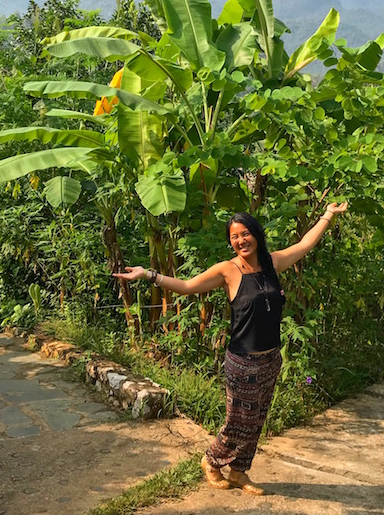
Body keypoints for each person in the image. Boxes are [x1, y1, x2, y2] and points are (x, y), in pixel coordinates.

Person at [113, 202, 348, 495]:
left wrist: (328, 214)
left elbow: (305, 244)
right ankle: (211, 462)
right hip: (243, 362)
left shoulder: (272, 264)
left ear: (257, 235)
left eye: (245, 233)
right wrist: (149, 275)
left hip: (270, 359)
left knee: (257, 420)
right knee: (238, 421)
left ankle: (238, 472)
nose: (240, 240)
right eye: (235, 236)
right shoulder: (228, 270)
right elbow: (187, 286)